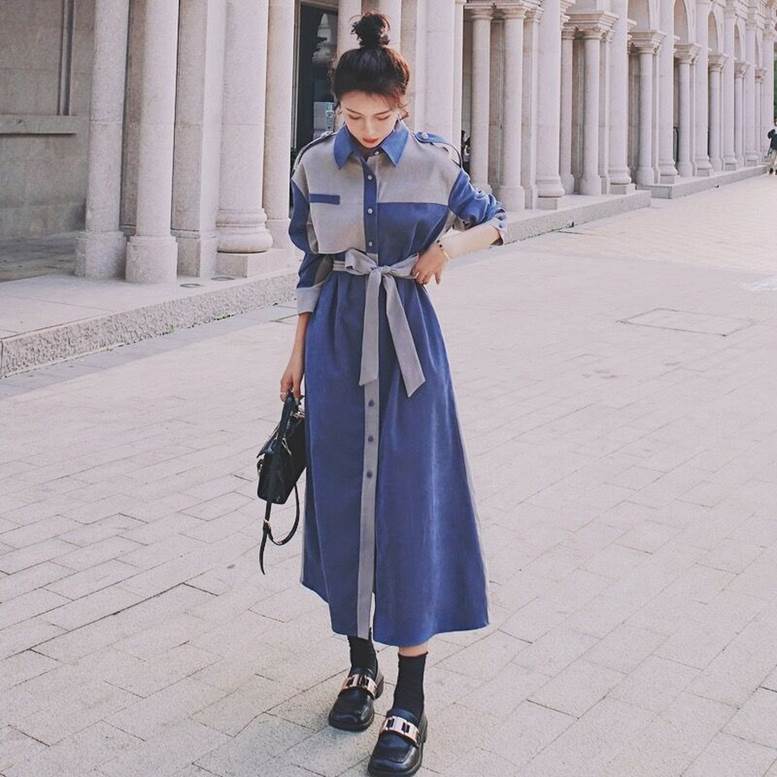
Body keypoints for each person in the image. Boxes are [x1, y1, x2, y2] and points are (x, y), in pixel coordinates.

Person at [279, 11, 507, 777]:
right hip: (337, 344)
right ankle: (359, 667)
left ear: (402, 108)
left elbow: (496, 221)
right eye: (353, 116)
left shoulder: (436, 164)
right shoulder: (314, 164)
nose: (367, 130)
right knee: (345, 503)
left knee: (410, 510)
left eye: (381, 117)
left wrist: (448, 245)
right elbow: (311, 264)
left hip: (409, 350)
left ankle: (410, 699)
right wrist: (296, 352)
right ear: (337, 106)